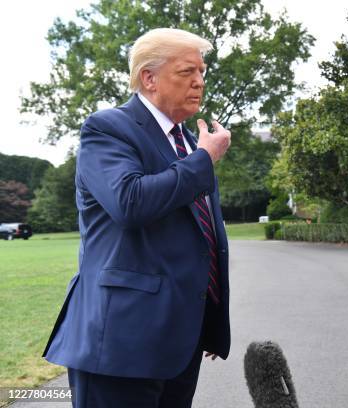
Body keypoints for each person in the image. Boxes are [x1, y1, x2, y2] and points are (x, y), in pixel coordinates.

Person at [42, 28, 232, 407]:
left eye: (202, 72)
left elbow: (202, 237)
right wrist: (202, 161)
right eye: (186, 72)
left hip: (180, 341)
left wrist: (207, 322)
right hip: (121, 344)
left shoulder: (188, 143)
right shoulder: (108, 128)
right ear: (149, 77)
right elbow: (130, 203)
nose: (199, 82)